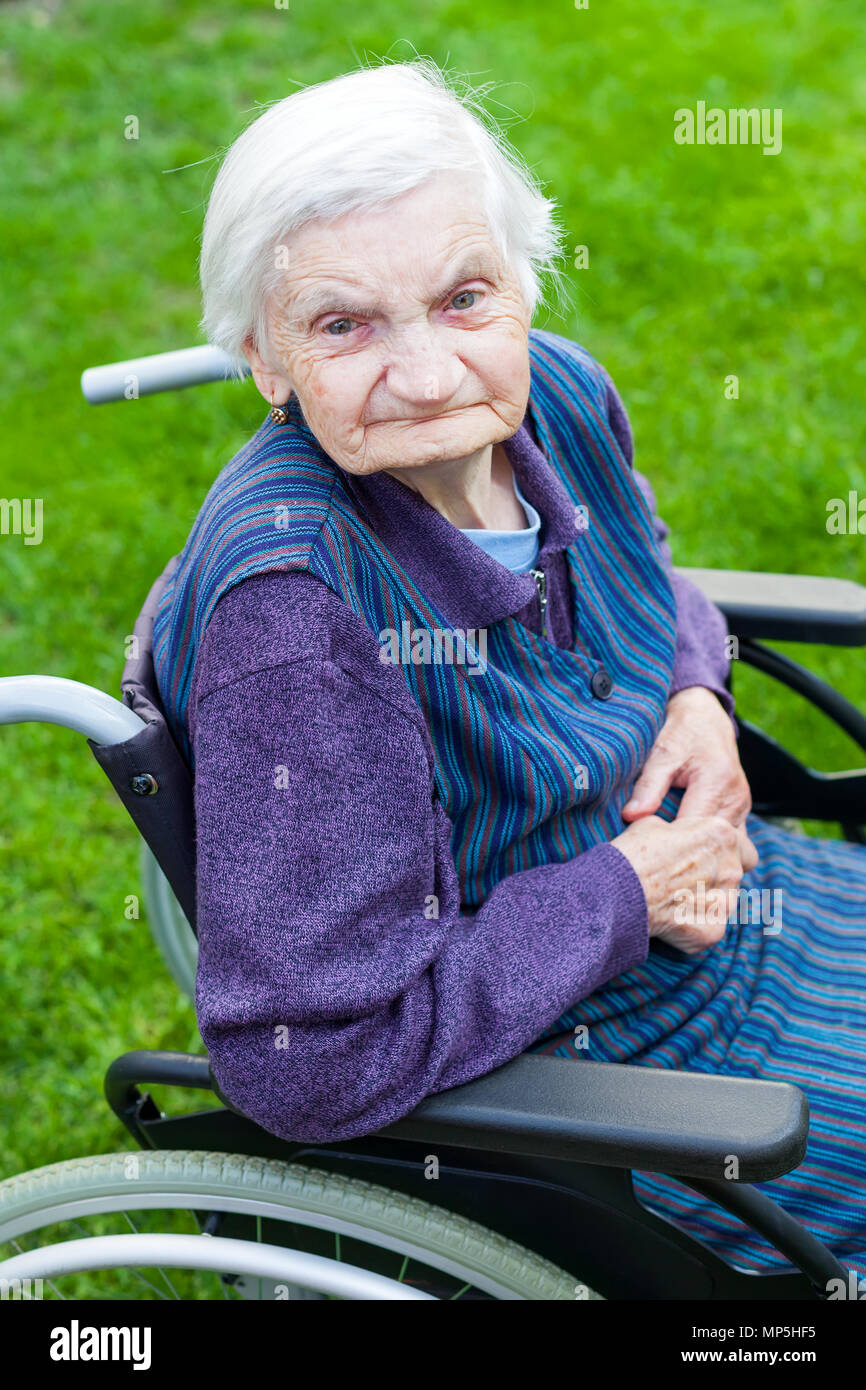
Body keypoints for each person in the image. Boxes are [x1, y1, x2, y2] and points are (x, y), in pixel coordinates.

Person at [153, 58, 866, 1282]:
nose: (429, 373)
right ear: (265, 360)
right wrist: (630, 887)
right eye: (343, 325)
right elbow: (311, 1053)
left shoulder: (559, 400)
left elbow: (650, 573)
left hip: (753, 913)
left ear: (525, 283)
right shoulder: (298, 627)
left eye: (463, 297)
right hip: (605, 1077)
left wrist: (696, 685)